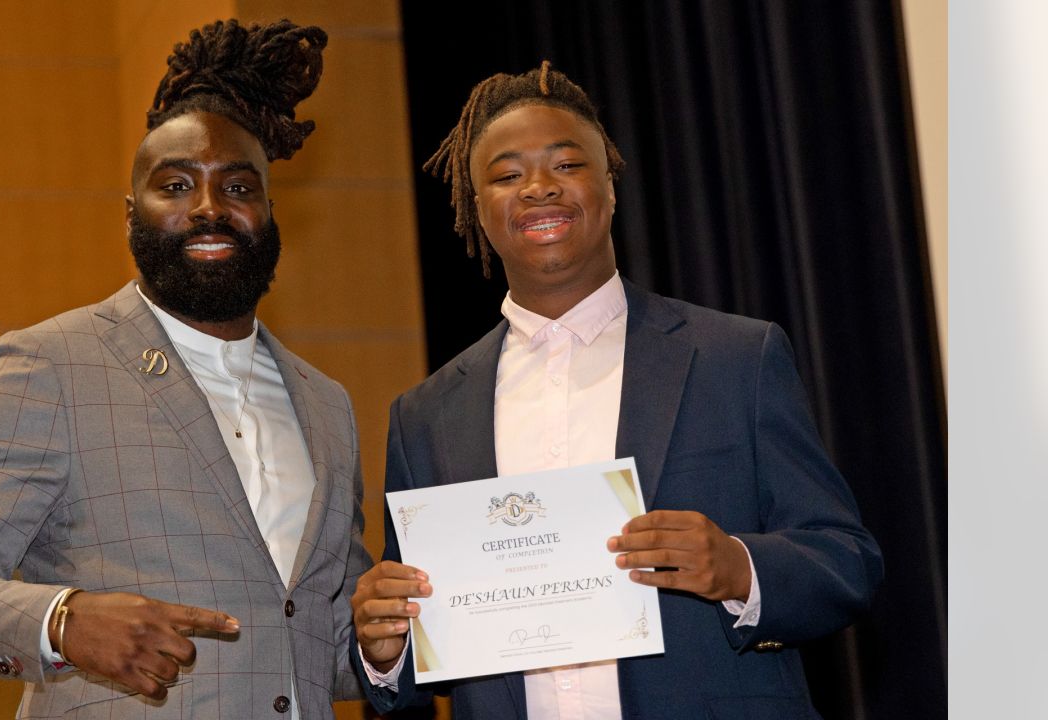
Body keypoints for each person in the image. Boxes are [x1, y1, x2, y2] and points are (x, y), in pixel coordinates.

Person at [349, 62, 883, 719]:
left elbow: (845, 561)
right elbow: (409, 654)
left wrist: (738, 566)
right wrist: (382, 648)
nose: (538, 188)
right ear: (477, 209)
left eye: (567, 165)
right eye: (508, 175)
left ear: (610, 184)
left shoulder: (734, 359)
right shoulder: (425, 415)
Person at [0, 19, 372, 720]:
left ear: (268, 213)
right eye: (175, 186)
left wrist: (381, 646)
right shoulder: (50, 365)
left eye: (238, 188)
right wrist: (63, 621)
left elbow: (316, 642)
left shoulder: (327, 405)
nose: (209, 208)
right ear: (130, 217)